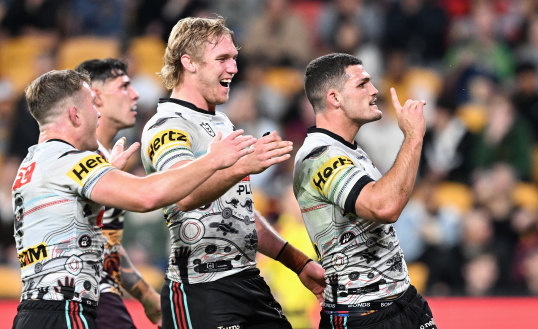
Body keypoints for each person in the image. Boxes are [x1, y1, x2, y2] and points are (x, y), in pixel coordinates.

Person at [11, 69, 255, 329]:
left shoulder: (30, 165)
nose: (99, 113)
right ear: (75, 114)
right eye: (92, 104)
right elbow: (147, 196)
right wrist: (213, 160)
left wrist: (107, 176)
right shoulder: (71, 162)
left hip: (31, 312)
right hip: (65, 312)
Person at [140, 16, 325, 329]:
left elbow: (238, 217)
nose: (234, 68)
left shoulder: (222, 124)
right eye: (222, 59)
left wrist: (298, 262)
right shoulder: (168, 126)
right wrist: (242, 166)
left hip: (247, 280)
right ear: (189, 63)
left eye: (234, 59)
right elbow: (181, 195)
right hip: (201, 289)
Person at [293, 53, 436, 328]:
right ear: (334, 98)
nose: (375, 91)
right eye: (363, 84)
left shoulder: (348, 149)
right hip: (363, 316)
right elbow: (384, 207)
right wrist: (413, 136)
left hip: (401, 302)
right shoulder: (320, 156)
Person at [74, 58, 160, 328]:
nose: (134, 94)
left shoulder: (105, 155)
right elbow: (147, 197)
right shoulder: (81, 156)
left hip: (96, 294)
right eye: (124, 86)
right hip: (87, 295)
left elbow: (106, 243)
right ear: (95, 97)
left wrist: (147, 296)